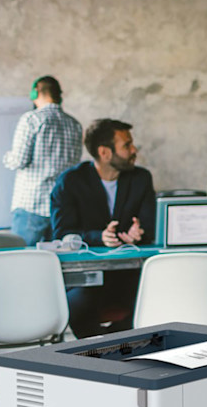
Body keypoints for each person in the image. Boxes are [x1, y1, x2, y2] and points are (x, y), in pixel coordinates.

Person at [51, 118, 156, 337]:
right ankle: (98, 355)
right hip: (88, 277)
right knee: (77, 306)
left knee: (158, 296)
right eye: (126, 145)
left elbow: (151, 224)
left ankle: (119, 343)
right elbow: (62, 234)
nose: (134, 149)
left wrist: (140, 232)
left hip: (130, 275)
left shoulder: (141, 179)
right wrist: (100, 237)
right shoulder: (69, 182)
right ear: (104, 152)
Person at [2, 75, 82, 245]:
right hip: (61, 205)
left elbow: (19, 160)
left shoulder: (32, 119)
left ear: (35, 93)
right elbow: (74, 166)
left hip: (32, 204)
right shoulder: (74, 124)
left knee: (23, 260)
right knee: (55, 262)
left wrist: (6, 157)